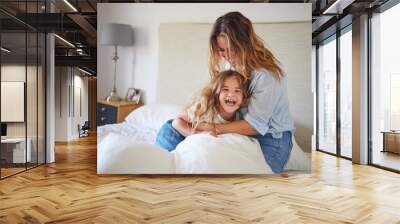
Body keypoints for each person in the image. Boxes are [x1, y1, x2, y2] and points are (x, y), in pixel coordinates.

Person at [197, 11, 295, 173]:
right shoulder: (232, 67)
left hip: (271, 139)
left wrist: (212, 128)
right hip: (242, 132)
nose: (227, 56)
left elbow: (253, 126)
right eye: (222, 50)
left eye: (232, 49)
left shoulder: (266, 74)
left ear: (245, 43)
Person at [155, 70, 249, 151]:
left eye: (237, 91)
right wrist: (198, 134)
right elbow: (176, 122)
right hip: (175, 132)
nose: (231, 94)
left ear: (243, 97)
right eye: (225, 89)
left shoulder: (239, 117)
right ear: (217, 94)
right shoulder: (207, 109)